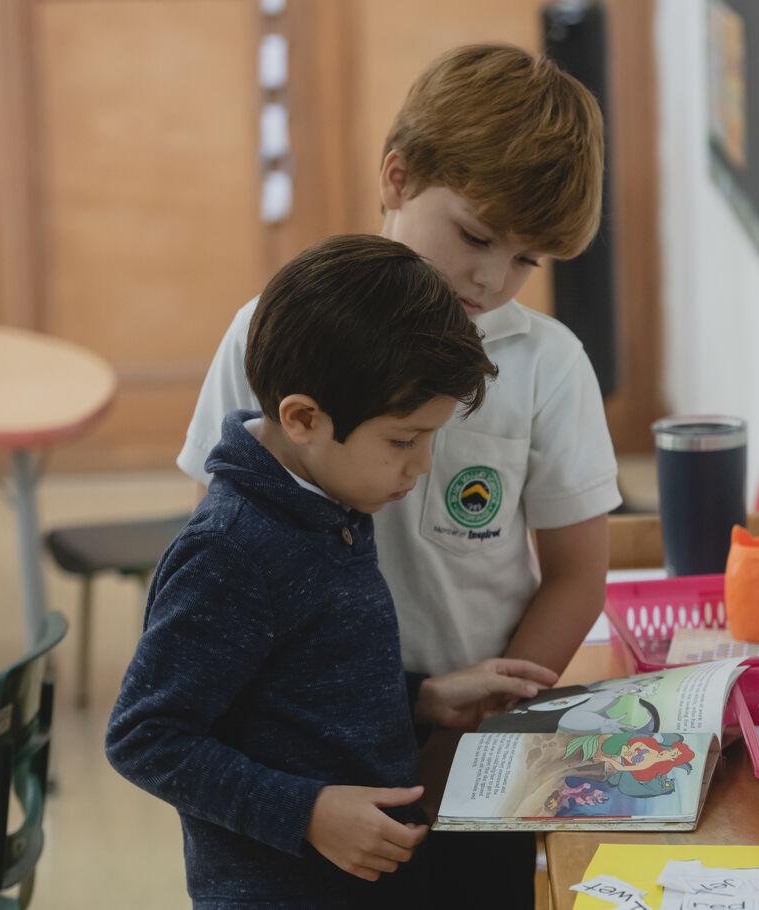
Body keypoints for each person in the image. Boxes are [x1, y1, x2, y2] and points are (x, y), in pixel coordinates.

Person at [175, 44, 620, 906]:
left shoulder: (548, 366)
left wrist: (470, 742)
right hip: (295, 765)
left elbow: (576, 576)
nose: (494, 278)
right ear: (397, 178)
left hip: (468, 756)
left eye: (527, 260)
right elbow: (214, 559)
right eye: (477, 236)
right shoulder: (272, 330)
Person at [106, 235, 558, 909]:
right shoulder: (231, 551)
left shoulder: (330, 504)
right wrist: (306, 812)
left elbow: (299, 684)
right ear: (303, 419)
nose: (422, 465)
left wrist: (421, 697)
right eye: (404, 441)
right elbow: (145, 737)